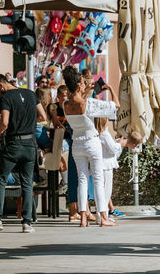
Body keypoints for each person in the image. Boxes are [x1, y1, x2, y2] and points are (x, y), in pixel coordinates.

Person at [0, 73, 46, 234]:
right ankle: (27, 222)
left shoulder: (6, 98)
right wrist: (28, 123)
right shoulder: (31, 93)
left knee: (1, 180)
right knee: (27, 183)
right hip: (30, 144)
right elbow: (43, 116)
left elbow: (5, 122)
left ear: (0, 85)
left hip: (13, 143)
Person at [62, 66, 117, 227]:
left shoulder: (66, 104)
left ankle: (83, 218)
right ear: (79, 85)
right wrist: (110, 88)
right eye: (83, 83)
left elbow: (77, 100)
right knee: (98, 179)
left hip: (77, 144)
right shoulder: (89, 103)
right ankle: (104, 217)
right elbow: (116, 105)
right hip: (92, 143)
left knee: (82, 180)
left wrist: (86, 91)